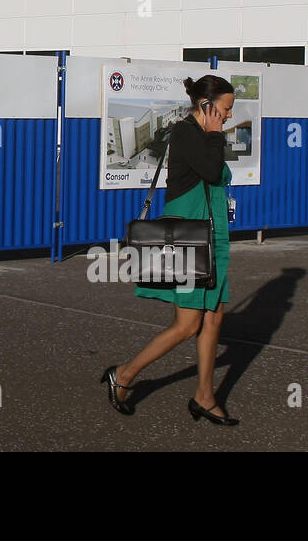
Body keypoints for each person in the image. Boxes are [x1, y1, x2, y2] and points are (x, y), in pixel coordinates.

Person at [101, 74, 238, 425]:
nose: (228, 117)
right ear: (206, 106)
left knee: (214, 319)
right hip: (188, 235)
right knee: (188, 324)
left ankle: (204, 397)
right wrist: (214, 133)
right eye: (224, 110)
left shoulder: (205, 135)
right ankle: (125, 374)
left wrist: (214, 136)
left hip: (214, 233)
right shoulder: (186, 133)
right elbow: (211, 171)